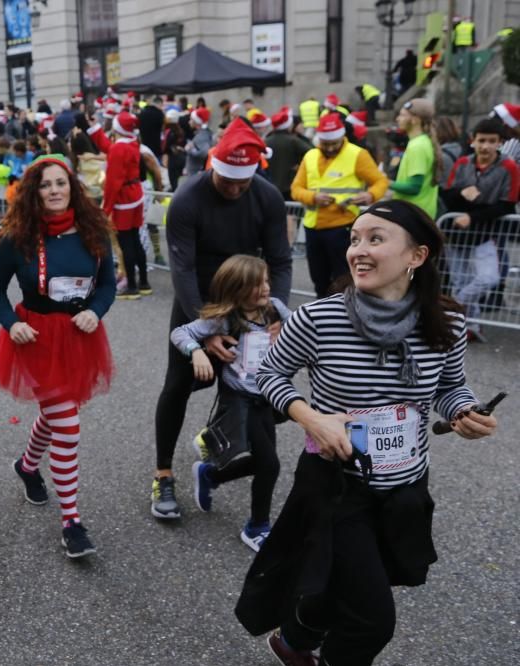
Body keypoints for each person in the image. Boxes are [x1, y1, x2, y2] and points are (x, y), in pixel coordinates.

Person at [237, 199, 497, 666]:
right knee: (372, 620)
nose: (359, 249)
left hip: (405, 485)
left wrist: (465, 413)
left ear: (416, 256)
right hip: (336, 486)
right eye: (355, 238)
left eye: (376, 239)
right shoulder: (319, 318)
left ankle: (293, 642)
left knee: (347, 583)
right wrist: (310, 416)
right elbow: (268, 373)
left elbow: (451, 386)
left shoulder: (448, 322)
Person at [150, 118, 292, 520]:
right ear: (212, 165)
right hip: (199, 300)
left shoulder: (266, 198)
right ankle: (163, 474)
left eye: (240, 184)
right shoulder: (188, 199)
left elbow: (280, 260)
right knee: (178, 385)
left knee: (257, 388)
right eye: (225, 181)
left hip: (249, 303)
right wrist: (206, 330)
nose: (232, 190)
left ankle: (216, 436)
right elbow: (181, 268)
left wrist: (274, 313)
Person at [0, 155, 116, 559]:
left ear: (72, 187)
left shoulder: (94, 232)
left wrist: (96, 311)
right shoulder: (18, 237)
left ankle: (26, 465)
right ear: (33, 192)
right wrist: (11, 323)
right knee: (68, 425)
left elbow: (108, 285)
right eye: (45, 184)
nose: (55, 190)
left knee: (58, 413)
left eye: (61, 183)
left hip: (79, 336)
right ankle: (71, 522)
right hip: (35, 338)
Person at [170, 255, 290, 550]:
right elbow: (180, 332)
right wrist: (196, 352)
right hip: (239, 399)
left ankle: (210, 474)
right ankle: (257, 527)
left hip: (267, 396)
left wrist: (285, 331)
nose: (264, 288)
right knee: (270, 464)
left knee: (264, 462)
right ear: (237, 288)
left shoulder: (275, 309)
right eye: (255, 284)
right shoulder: (225, 318)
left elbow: (303, 328)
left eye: (265, 280)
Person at [291, 113, 389, 298]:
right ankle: (322, 313)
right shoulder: (310, 155)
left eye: (334, 143)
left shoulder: (358, 154)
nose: (329, 148)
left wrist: (369, 195)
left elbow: (380, 182)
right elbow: (296, 188)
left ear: (342, 136)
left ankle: (346, 315)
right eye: (325, 144)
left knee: (344, 279)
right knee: (319, 280)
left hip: (342, 227)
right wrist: (313, 197)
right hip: (313, 228)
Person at [441, 117, 520, 342]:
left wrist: (472, 215)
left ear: (500, 143)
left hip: (487, 234)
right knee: (461, 280)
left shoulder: (509, 167)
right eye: (481, 140)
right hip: (456, 235)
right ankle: (469, 326)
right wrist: (462, 194)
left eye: (491, 141)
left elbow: (507, 203)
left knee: (488, 278)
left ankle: (450, 306)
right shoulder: (463, 163)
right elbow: (447, 194)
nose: (485, 146)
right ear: (473, 141)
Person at [89, 112, 149, 298]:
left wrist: (105, 210)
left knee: (126, 243)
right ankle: (144, 282)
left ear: (116, 128)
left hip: (124, 200)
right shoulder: (132, 142)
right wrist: (95, 129)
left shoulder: (119, 149)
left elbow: (113, 184)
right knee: (135, 239)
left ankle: (131, 286)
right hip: (135, 195)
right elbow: (111, 149)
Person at [391, 99, 441, 218]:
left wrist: (384, 181)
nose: (398, 119)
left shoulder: (417, 146)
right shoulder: (423, 142)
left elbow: (414, 187)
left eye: (402, 115)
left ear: (415, 119)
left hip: (413, 215)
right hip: (419, 213)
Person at [184, 107, 213, 177]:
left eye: (191, 119)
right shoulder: (202, 134)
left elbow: (204, 153)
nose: (189, 121)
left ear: (197, 121)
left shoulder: (202, 135)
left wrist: (189, 149)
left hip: (196, 174)